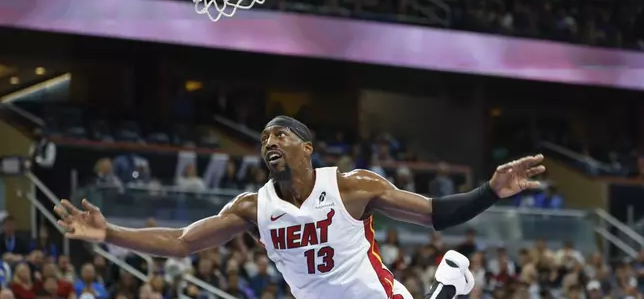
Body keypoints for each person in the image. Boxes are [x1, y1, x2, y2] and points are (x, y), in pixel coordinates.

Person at [55, 116, 546, 299]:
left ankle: (450, 285)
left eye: (281, 134)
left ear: (307, 147)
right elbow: (183, 243)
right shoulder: (253, 208)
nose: (270, 141)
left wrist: (490, 191)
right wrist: (109, 234)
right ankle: (450, 286)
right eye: (264, 136)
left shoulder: (353, 186)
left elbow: (436, 213)